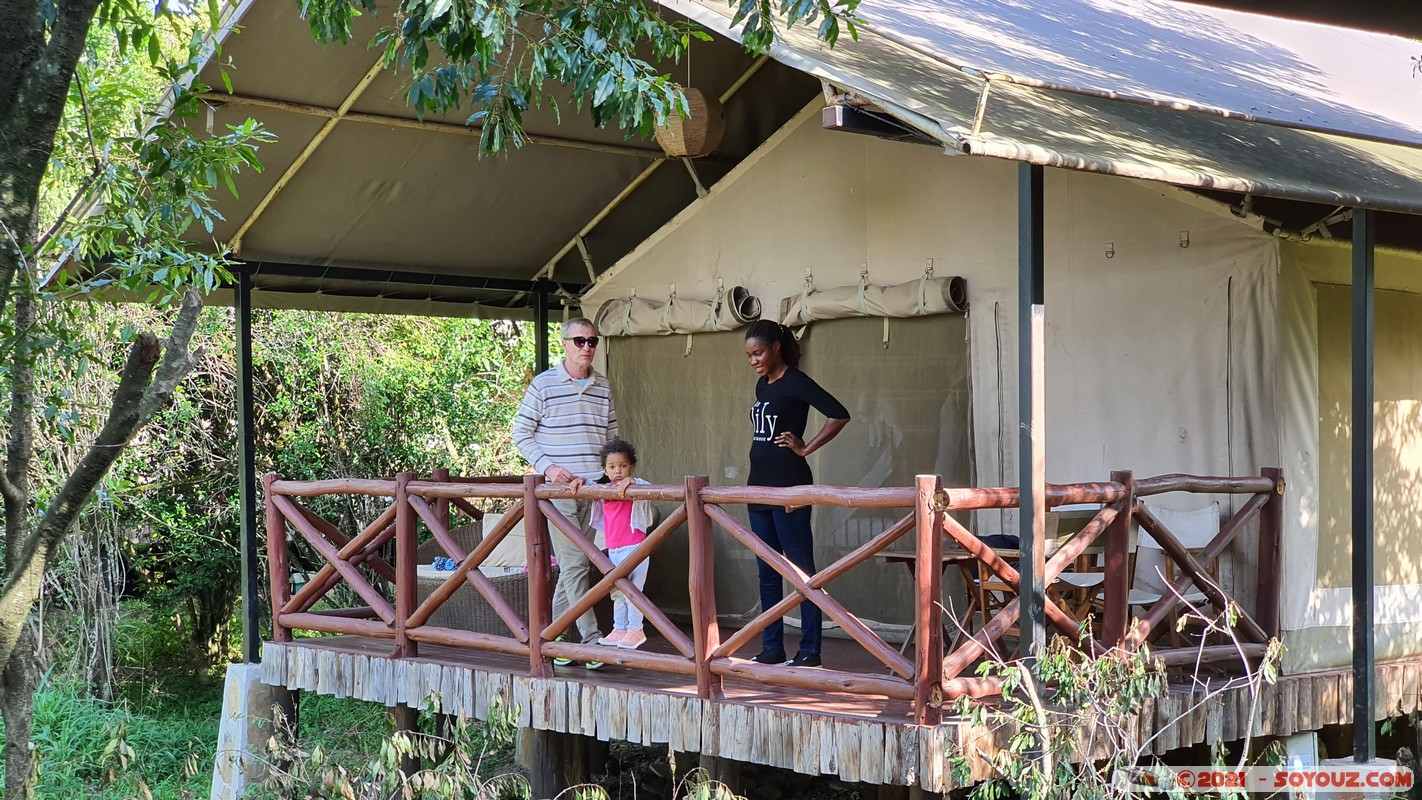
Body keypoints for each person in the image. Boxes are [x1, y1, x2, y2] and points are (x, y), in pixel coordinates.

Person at [742, 320, 850, 668]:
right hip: (758, 487)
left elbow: (839, 414)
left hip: (791, 486)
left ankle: (810, 651)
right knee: (767, 571)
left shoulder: (796, 381)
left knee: (803, 573)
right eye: (749, 355)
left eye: (758, 353)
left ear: (775, 347)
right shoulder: (763, 386)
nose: (753, 360)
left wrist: (806, 448)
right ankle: (772, 647)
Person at [512, 318, 616, 669]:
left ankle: (551, 637)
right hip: (558, 491)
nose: (587, 346)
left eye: (592, 341)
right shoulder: (543, 385)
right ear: (564, 344)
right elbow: (521, 435)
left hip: (595, 489)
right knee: (574, 564)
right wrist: (550, 469)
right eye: (580, 340)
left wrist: (613, 476)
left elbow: (611, 439)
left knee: (579, 565)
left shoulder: (603, 386)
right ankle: (590, 642)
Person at [591, 439, 656, 650]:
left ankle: (636, 629)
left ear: (632, 467)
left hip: (635, 547)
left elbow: (650, 488)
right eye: (612, 467)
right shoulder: (605, 491)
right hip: (614, 549)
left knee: (634, 592)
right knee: (617, 591)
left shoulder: (636, 486)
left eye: (623, 466)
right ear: (605, 470)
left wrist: (633, 482)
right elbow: (587, 488)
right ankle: (619, 628)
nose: (618, 471)